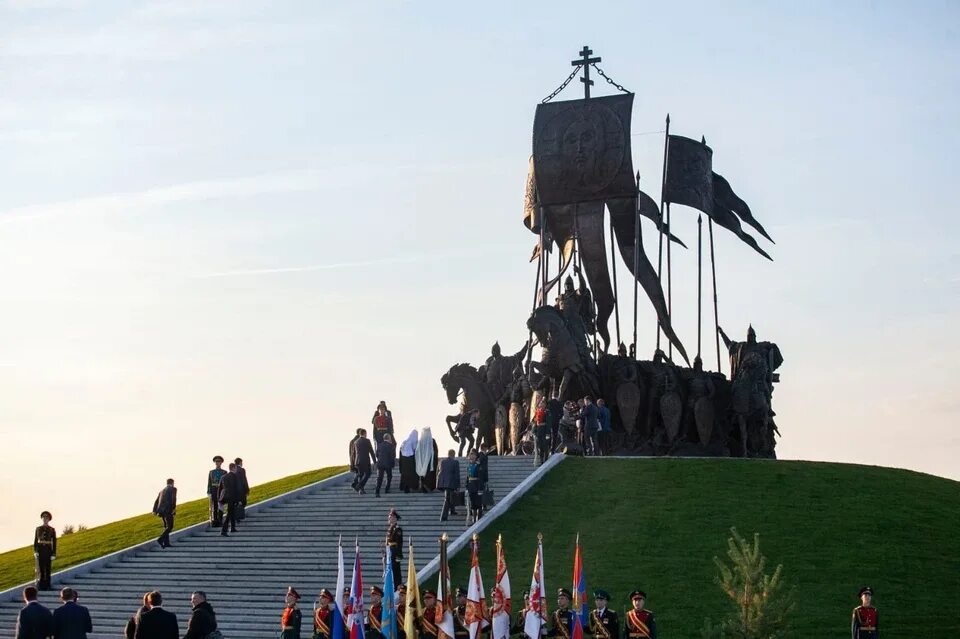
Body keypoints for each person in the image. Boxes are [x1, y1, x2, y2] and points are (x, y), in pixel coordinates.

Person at [33, 511, 57, 590]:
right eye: (44, 518)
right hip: (40, 550)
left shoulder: (52, 529)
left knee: (48, 568)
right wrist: (35, 551)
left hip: (48, 550)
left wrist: (53, 553)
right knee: (41, 568)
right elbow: (36, 541)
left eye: (46, 518)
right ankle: (41, 585)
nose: (45, 519)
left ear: (49, 519)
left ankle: (48, 585)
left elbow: (54, 542)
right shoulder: (38, 529)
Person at [437, 449, 461, 522]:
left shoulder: (442, 461)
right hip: (451, 483)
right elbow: (457, 475)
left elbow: (439, 472)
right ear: (453, 455)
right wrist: (458, 485)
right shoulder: (455, 462)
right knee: (447, 499)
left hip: (443, 483)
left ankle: (452, 511)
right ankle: (443, 516)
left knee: (450, 497)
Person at [218, 463, 241, 536]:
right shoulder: (235, 476)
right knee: (230, 513)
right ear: (233, 468)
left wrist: (219, 499)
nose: (236, 469)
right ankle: (223, 531)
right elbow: (237, 489)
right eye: (235, 468)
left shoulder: (223, 477)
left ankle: (233, 528)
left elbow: (220, 488)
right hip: (232, 497)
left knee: (232, 512)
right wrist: (238, 499)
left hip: (225, 496)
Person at [152, 479, 176, 549]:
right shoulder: (173, 489)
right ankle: (160, 539)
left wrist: (154, 510)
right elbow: (174, 499)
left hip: (161, 512)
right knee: (170, 527)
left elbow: (156, 501)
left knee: (166, 527)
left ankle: (166, 543)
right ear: (172, 483)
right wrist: (173, 509)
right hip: (168, 511)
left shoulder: (161, 491)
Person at [353, 429, 377, 495]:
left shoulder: (356, 442)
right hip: (365, 461)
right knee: (368, 474)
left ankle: (361, 490)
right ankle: (358, 486)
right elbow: (371, 451)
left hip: (357, 461)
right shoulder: (367, 441)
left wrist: (354, 462)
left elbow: (354, 453)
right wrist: (375, 461)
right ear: (365, 433)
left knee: (361, 475)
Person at [415, 427, 439, 492]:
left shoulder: (420, 441)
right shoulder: (432, 441)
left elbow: (417, 451)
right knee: (429, 475)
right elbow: (436, 451)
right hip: (430, 462)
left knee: (423, 474)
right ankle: (429, 487)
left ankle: (424, 486)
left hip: (422, 462)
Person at [207, 456, 227, 527]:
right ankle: (215, 521)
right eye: (216, 461)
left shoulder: (224, 472)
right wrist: (209, 492)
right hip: (214, 491)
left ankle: (220, 521)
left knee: (220, 506)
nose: (217, 463)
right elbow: (209, 483)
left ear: (221, 463)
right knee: (214, 507)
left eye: (219, 461)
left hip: (221, 491)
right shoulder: (211, 472)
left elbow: (225, 483)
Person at [385, 509, 404, 585]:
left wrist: (399, 555)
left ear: (395, 518)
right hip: (390, 551)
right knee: (390, 571)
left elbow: (399, 543)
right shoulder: (390, 528)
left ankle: (397, 587)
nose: (389, 518)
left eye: (391, 517)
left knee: (396, 572)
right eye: (389, 517)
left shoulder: (397, 529)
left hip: (394, 552)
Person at [398, 429, 420, 493]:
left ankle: (405, 488)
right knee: (412, 475)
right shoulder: (415, 441)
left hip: (404, 461)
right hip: (411, 460)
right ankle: (414, 487)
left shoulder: (405, 441)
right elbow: (416, 450)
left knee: (405, 475)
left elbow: (401, 451)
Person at [375, 433, 397, 497]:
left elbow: (376, 454)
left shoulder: (379, 445)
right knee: (389, 476)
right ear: (389, 438)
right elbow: (393, 456)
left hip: (380, 464)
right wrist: (393, 464)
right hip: (388, 464)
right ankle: (387, 489)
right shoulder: (391, 446)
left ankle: (377, 492)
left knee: (380, 478)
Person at [465, 450, 482, 523]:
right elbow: (467, 477)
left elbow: (480, 478)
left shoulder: (478, 466)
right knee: (472, 504)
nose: (471, 459)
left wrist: (480, 489)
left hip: (476, 486)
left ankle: (478, 518)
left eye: (472, 458)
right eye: (470, 458)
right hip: (471, 487)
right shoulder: (469, 466)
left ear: (475, 458)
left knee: (478, 503)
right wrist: (466, 486)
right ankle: (473, 519)